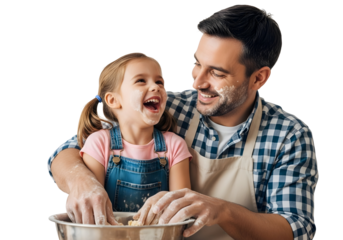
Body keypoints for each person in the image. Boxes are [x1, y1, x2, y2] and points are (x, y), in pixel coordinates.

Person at [47, 3, 318, 240]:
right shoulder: (169, 108)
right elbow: (67, 152)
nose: (197, 82)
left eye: (218, 73)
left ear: (259, 78)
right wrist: (81, 181)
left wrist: (221, 210)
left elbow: (296, 228)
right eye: (197, 64)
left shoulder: (288, 135)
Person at [74, 51, 192, 224]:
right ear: (113, 100)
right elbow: (92, 205)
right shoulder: (99, 143)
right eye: (141, 81)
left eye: (159, 81)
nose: (155, 87)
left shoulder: (175, 145)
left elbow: (182, 208)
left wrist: (166, 199)